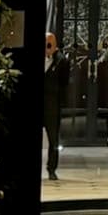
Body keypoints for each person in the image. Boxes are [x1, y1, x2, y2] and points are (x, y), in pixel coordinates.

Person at [41, 32, 70, 181]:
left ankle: (51, 169)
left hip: (52, 104)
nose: (47, 46)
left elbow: (64, 83)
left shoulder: (61, 61)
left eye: (50, 43)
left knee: (53, 139)